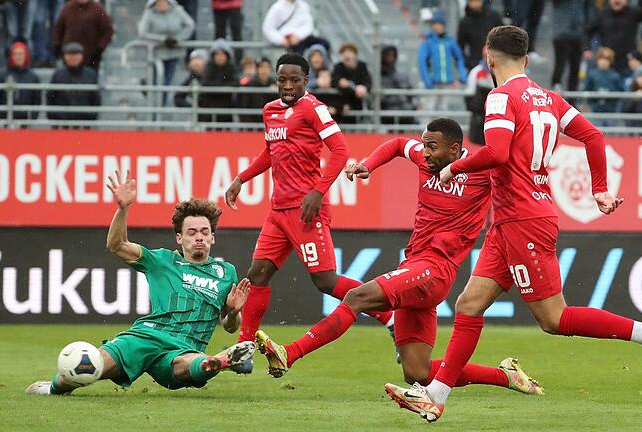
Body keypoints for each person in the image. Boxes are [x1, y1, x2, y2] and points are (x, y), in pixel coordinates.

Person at [386, 25, 642, 423]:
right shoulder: (549, 98)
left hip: (523, 217)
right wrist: (600, 190)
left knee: (554, 319)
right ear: (525, 59)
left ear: (489, 57)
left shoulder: (501, 97)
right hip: (511, 220)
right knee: (469, 304)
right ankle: (435, 396)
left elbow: (497, 153)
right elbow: (592, 135)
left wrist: (456, 166)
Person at [255, 119, 545, 401]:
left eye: (433, 147)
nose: (426, 153)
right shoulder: (424, 158)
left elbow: (515, 180)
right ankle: (506, 376)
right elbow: (395, 145)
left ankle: (290, 353)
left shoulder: (481, 170)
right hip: (415, 266)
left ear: (455, 150)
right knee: (417, 372)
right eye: (424, 146)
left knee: (357, 297)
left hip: (436, 269)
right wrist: (368, 164)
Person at [25, 173, 255, 395]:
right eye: (192, 232)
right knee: (92, 365)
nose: (199, 237)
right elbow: (117, 245)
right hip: (146, 336)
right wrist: (123, 209)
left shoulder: (226, 273)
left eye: (205, 232)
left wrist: (234, 311)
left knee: (192, 365)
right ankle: (53, 388)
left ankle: (218, 362)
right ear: (179, 238)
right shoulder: (162, 260)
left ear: (212, 237)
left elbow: (230, 326)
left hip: (185, 348)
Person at [224, 53, 394, 346]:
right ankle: (245, 346)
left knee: (325, 281)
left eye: (294, 80)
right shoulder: (270, 111)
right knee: (257, 275)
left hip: (306, 209)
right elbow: (270, 152)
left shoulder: (314, 108)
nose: (287, 86)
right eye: (282, 80)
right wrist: (242, 178)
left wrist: (318, 191)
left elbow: (340, 150)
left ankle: (389, 316)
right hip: (278, 210)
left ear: (306, 80)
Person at [137, 0, 195, 89]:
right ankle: (149, 86)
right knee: (156, 80)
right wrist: (163, 39)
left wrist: (178, 39)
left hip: (173, 51)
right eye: (158, 2)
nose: (161, 5)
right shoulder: (149, 13)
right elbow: (142, 33)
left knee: (166, 82)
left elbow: (190, 25)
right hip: (157, 53)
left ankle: (161, 102)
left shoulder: (177, 11)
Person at [583, 0, 642, 74]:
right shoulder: (602, 14)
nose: (617, 1)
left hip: (628, 63)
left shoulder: (633, 12)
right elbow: (587, 31)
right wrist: (587, 48)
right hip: (608, 62)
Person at [418, 8, 467, 112]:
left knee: (444, 109)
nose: (437, 26)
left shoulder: (450, 41)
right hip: (433, 82)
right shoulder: (428, 42)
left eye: (439, 23)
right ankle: (428, 128)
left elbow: (459, 58)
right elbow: (422, 62)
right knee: (430, 108)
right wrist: (427, 80)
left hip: (447, 82)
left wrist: (462, 75)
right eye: (435, 23)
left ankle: (442, 129)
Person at [46, 42, 101, 125]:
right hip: (61, 123)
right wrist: (53, 116)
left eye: (76, 54)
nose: (73, 58)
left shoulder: (90, 74)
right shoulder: (58, 75)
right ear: (65, 57)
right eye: (69, 54)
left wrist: (92, 116)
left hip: (85, 123)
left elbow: (96, 98)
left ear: (81, 56)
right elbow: (50, 97)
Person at [52, 0, 114, 70]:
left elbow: (108, 31)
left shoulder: (98, 9)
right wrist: (57, 45)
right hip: (70, 56)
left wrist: (99, 49)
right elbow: (58, 28)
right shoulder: (67, 8)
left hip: (92, 58)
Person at [0, 41, 41, 121]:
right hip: (4, 119)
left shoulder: (33, 76)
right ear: (11, 56)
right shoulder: (1, 75)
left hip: (26, 120)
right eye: (15, 54)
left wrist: (33, 116)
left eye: (21, 54)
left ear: (26, 55)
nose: (18, 57)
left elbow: (37, 99)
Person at [551, 0, 591, 92]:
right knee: (560, 65)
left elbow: (589, 9)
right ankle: (556, 89)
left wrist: (585, 27)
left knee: (575, 68)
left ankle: (572, 100)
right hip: (561, 34)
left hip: (578, 34)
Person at [262, 0, 328, 54]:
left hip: (302, 38)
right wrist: (281, 40)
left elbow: (308, 25)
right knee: (297, 56)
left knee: (324, 44)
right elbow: (268, 27)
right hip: (287, 40)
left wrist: (298, 36)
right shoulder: (277, 7)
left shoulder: (303, 5)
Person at [199, 38, 237, 124]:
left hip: (226, 108)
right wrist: (223, 88)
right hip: (209, 108)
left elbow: (235, 83)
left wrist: (217, 88)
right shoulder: (209, 68)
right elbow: (205, 84)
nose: (220, 57)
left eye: (222, 54)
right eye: (217, 54)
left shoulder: (231, 68)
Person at [331, 42, 371, 124]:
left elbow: (368, 81)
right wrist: (352, 87)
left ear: (355, 54)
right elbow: (335, 82)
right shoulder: (338, 67)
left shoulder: (362, 66)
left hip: (357, 103)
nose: (347, 55)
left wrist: (364, 88)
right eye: (344, 53)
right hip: (342, 103)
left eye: (349, 52)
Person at [583, 47, 623, 127]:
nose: (604, 62)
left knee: (611, 134)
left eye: (607, 59)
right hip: (596, 110)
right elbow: (587, 89)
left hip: (611, 111)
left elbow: (620, 92)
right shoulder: (592, 74)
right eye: (601, 59)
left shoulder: (615, 76)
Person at [457, 0, 502, 71]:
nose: (475, 3)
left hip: (495, 62)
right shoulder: (465, 22)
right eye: (472, 1)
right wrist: (468, 62)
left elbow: (503, 36)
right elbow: (460, 46)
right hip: (475, 63)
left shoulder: (493, 16)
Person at [380, 45, 416, 125]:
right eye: (388, 55)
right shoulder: (377, 77)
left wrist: (414, 105)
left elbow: (412, 93)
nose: (391, 58)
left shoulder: (402, 75)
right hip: (388, 113)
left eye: (393, 55)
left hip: (406, 111)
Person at [464, 47, 494, 144]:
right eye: (486, 57)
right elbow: (470, 91)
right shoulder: (476, 72)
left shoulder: (498, 72)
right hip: (479, 110)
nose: (487, 60)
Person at [238, 57, 276, 123]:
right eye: (261, 67)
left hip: (271, 125)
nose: (264, 70)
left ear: (270, 69)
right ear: (257, 69)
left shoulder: (275, 85)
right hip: (252, 126)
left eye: (267, 67)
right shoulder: (249, 85)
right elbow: (244, 108)